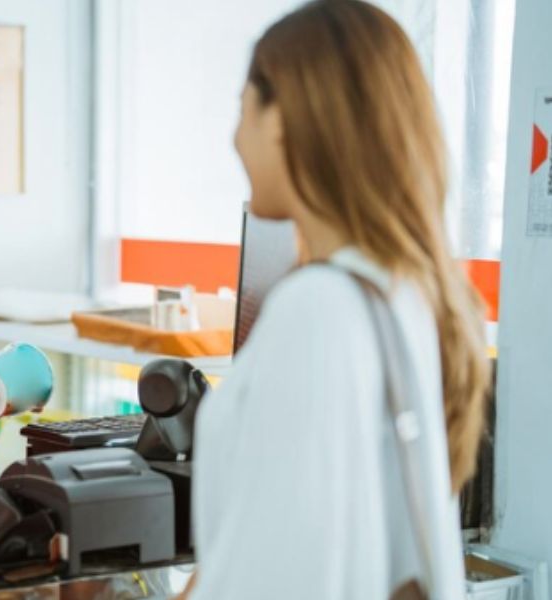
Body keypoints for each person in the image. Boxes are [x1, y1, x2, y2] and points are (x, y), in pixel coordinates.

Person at [185, 1, 491, 598]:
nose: (234, 139)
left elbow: (280, 576)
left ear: (282, 118)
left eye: (241, 109)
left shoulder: (318, 310)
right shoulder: (402, 289)